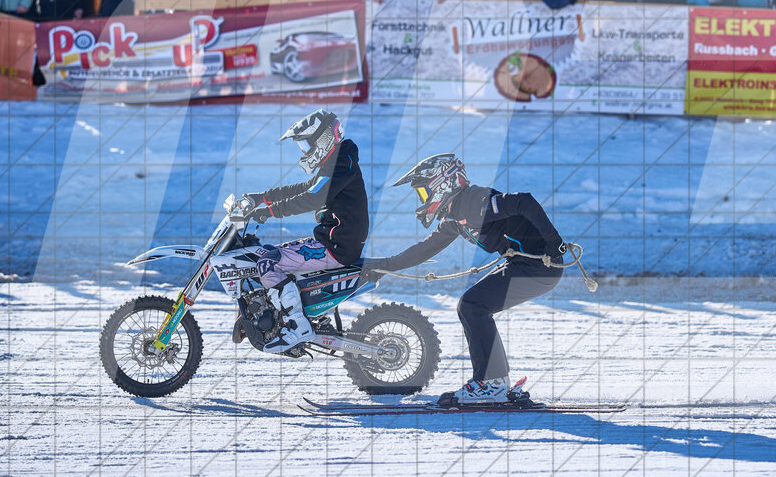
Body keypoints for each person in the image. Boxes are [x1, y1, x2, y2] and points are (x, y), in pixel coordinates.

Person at [360, 154, 567, 406]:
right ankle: (496, 382)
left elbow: (524, 202)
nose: (423, 201)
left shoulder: (475, 202)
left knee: (473, 306)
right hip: (524, 265)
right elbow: (425, 249)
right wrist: (383, 266)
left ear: (443, 183)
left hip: (541, 268)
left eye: (424, 193)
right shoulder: (455, 217)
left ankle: (491, 384)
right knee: (472, 306)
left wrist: (555, 245)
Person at [241, 109, 369, 353]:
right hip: (333, 241)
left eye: (305, 145)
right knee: (265, 253)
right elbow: (305, 187)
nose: (304, 152)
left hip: (337, 246)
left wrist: (270, 211)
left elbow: (312, 197)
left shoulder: (342, 163)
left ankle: (298, 326)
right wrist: (263, 198)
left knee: (269, 263)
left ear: (323, 140)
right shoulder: (336, 162)